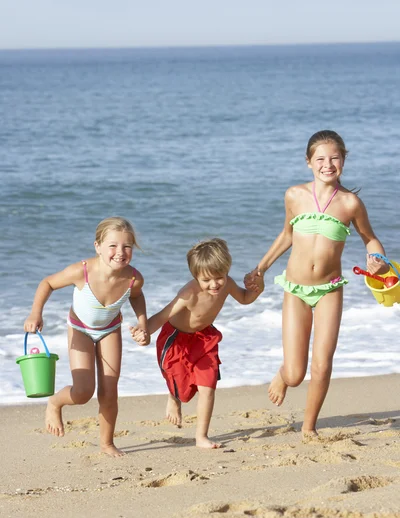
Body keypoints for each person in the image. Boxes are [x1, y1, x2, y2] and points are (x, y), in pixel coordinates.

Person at [245, 130, 387, 439]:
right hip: (295, 289)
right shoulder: (294, 195)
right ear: (309, 162)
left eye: (335, 157)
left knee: (322, 365)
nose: (328, 164)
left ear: (344, 160)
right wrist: (261, 268)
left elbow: (370, 238)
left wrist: (377, 259)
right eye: (320, 158)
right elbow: (286, 235)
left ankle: (308, 428)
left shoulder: (350, 203)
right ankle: (283, 375)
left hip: (329, 290)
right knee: (296, 373)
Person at [24, 216, 149, 457]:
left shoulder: (133, 278)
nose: (120, 252)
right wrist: (35, 314)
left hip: (110, 330)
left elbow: (136, 296)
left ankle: (107, 443)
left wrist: (142, 324)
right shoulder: (82, 271)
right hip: (80, 330)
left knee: (109, 392)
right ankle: (55, 403)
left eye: (127, 246)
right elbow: (47, 283)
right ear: (98, 246)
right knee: (83, 393)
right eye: (112, 245)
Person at [131, 238, 264, 449]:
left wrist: (259, 286)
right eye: (206, 280)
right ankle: (174, 398)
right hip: (176, 340)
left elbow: (246, 298)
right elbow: (161, 317)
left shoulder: (227, 284)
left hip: (205, 339)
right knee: (183, 392)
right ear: (196, 276)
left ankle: (201, 436)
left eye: (219, 277)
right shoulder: (188, 294)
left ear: (226, 271)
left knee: (207, 387)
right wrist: (143, 331)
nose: (214, 285)